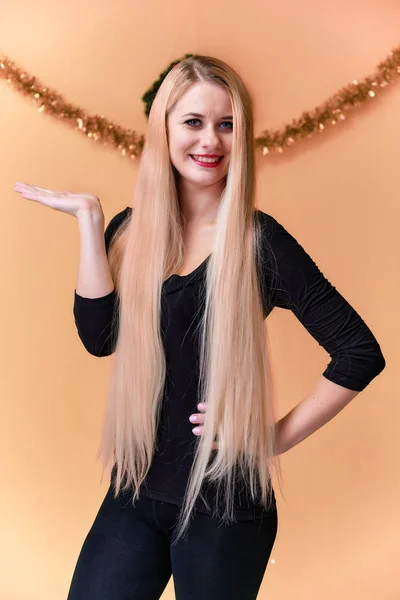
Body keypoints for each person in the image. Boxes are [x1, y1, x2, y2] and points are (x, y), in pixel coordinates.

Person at [14, 55, 385, 600]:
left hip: (226, 506)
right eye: (193, 121)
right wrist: (92, 224)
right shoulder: (130, 230)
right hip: (136, 489)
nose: (211, 139)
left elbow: (359, 351)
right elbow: (100, 338)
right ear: (163, 128)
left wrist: (269, 437)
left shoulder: (261, 243)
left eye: (227, 124)